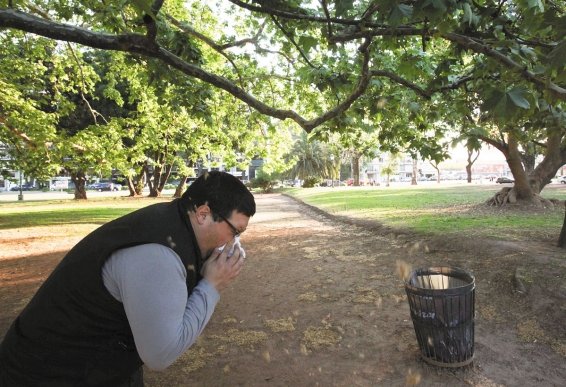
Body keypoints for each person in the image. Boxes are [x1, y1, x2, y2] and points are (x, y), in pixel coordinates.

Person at [0, 171, 255, 386]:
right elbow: (161, 354)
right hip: (46, 374)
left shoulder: (173, 220)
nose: (232, 243)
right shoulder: (159, 257)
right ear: (203, 213)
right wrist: (211, 286)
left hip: (96, 364)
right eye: (235, 232)